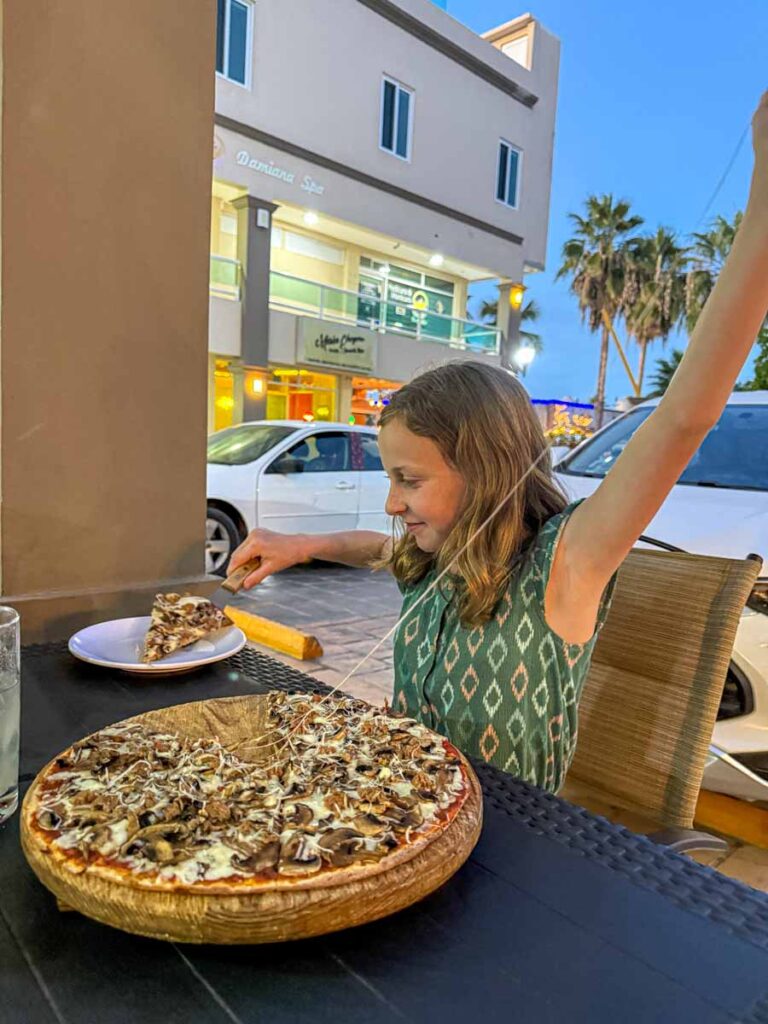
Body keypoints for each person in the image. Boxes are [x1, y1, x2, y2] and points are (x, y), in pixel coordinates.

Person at [230, 93, 768, 792]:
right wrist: (302, 544)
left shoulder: (566, 564)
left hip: (509, 851)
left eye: (410, 481)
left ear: (486, 473)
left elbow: (684, 417)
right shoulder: (433, 559)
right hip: (403, 817)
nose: (393, 504)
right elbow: (375, 549)